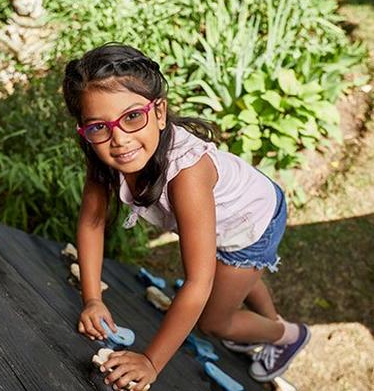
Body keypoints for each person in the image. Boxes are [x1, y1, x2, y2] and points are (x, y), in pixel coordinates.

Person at [62, 43, 310, 390]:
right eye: (99, 127)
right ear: (86, 131)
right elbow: (92, 223)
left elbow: (197, 282)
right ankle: (267, 319)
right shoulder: (104, 155)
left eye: (133, 116)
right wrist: (92, 299)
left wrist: (150, 361)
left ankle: (287, 335)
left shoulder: (186, 174)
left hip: (253, 222)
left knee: (214, 322)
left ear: (159, 112)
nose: (119, 139)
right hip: (238, 205)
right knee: (237, 275)